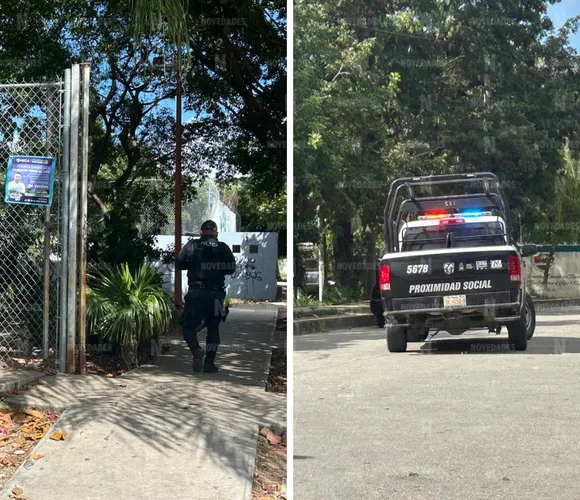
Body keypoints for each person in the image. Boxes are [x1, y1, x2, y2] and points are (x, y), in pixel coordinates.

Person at [176, 220, 236, 373]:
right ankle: (209, 364)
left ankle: (196, 350)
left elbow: (179, 264)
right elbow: (231, 270)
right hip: (216, 295)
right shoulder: (223, 247)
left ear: (201, 232)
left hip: (196, 294)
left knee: (188, 326)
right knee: (213, 328)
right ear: (216, 232)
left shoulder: (192, 245)